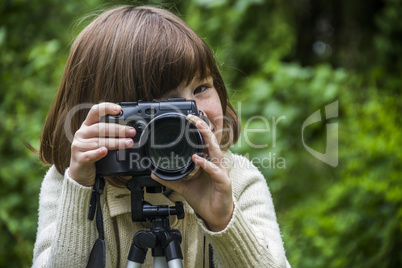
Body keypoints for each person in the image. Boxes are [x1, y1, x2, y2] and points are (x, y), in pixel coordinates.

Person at [33, 5, 291, 268]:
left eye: (202, 87)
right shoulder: (70, 183)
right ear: (112, 115)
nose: (194, 112)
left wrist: (223, 220)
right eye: (167, 103)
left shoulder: (238, 179)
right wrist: (80, 190)